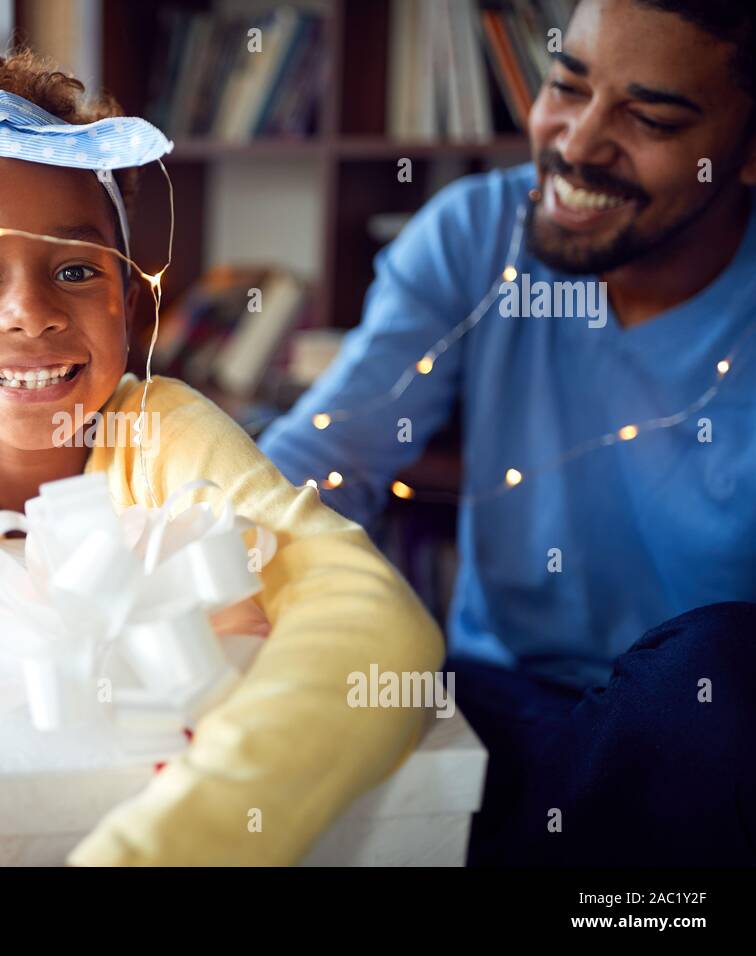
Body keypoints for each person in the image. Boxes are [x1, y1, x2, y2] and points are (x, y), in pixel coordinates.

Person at [0, 42, 443, 867]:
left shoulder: (167, 428)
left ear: (127, 306)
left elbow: (375, 625)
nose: (31, 314)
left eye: (75, 269)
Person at [260, 0, 756, 865]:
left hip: (692, 743)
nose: (577, 142)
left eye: (649, 118)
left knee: (712, 674)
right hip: (488, 703)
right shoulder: (476, 232)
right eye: (567, 85)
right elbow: (325, 457)